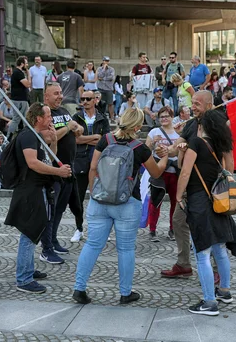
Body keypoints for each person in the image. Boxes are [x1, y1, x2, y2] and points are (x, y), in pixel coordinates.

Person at [72, 107, 168, 305]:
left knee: (92, 245)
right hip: (127, 202)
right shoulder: (140, 149)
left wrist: (94, 193)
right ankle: (125, 293)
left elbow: (92, 167)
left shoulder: (105, 140)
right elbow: (156, 173)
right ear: (139, 127)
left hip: (99, 200)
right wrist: (165, 156)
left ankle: (79, 289)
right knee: (125, 249)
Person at [175, 109, 236, 316]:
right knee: (219, 250)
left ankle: (209, 302)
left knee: (202, 253)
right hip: (217, 201)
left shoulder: (196, 143)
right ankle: (224, 291)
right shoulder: (219, 145)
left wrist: (178, 195)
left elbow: (184, 170)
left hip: (199, 202)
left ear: (202, 126)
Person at [5, 103, 71, 294]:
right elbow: (33, 163)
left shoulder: (36, 137)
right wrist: (58, 171)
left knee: (33, 233)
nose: (51, 119)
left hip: (38, 189)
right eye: (48, 115)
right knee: (29, 234)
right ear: (38, 118)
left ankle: (28, 269)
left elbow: (48, 159)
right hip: (29, 191)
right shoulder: (27, 136)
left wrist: (53, 141)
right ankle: (24, 279)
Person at [161, 91, 214, 279]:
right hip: (189, 185)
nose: (193, 107)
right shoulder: (191, 124)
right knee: (178, 220)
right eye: (193, 103)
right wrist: (168, 149)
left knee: (208, 226)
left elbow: (226, 155)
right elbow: (178, 145)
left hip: (209, 186)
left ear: (209, 105)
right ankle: (183, 264)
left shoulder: (217, 124)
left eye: (197, 104)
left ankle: (215, 269)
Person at [42, 83, 83, 264]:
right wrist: (68, 127)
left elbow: (76, 130)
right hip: (53, 170)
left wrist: (76, 128)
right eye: (56, 93)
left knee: (60, 209)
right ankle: (46, 248)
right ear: (46, 97)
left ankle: (53, 239)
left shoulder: (64, 111)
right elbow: (48, 138)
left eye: (61, 93)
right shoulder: (44, 114)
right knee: (50, 210)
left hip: (69, 168)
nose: (60, 96)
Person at [73, 90, 111, 242]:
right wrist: (94, 138)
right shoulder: (76, 117)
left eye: (88, 99)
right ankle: (79, 228)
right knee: (79, 198)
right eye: (82, 99)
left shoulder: (102, 118)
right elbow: (75, 140)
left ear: (95, 100)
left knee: (101, 197)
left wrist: (85, 139)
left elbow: (105, 140)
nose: (85, 101)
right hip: (80, 161)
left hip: (98, 162)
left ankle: (102, 230)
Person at [146, 106, 180, 241]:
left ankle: (173, 230)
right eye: (161, 117)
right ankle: (152, 230)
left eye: (167, 116)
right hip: (159, 171)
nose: (164, 119)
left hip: (175, 171)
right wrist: (153, 143)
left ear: (172, 117)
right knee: (155, 201)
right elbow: (146, 150)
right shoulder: (154, 132)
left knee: (175, 203)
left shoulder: (178, 133)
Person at [7, 56, 31, 136]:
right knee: (17, 119)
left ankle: (26, 134)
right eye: (26, 63)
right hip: (20, 100)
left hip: (21, 99)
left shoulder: (17, 72)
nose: (27, 65)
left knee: (25, 118)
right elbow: (27, 84)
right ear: (22, 64)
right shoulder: (18, 73)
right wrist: (28, 74)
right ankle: (9, 136)